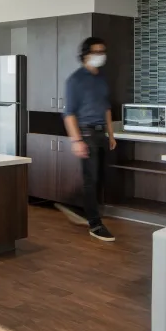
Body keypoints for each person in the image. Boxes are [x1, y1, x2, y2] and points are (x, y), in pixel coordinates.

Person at [64, 37, 117, 243]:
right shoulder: (75, 80)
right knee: (91, 180)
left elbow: (106, 107)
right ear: (85, 54)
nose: (100, 55)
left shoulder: (102, 78)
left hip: (100, 133)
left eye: (102, 51)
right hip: (85, 133)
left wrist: (111, 134)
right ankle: (95, 224)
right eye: (95, 51)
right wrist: (76, 141)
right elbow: (69, 114)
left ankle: (77, 206)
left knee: (101, 178)